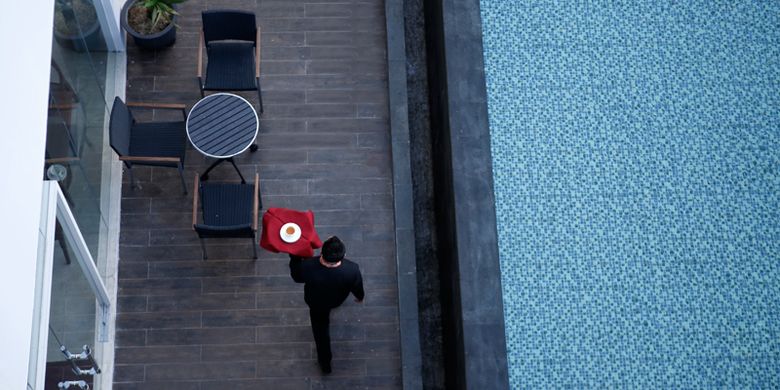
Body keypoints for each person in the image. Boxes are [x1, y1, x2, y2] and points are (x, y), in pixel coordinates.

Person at [289, 236, 364, 374]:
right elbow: (357, 286)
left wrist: (294, 256)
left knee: (321, 334)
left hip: (316, 304)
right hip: (336, 300)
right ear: (343, 256)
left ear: (322, 253)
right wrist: (360, 297)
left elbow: (296, 277)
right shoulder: (352, 269)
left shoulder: (307, 266)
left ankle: (325, 364)